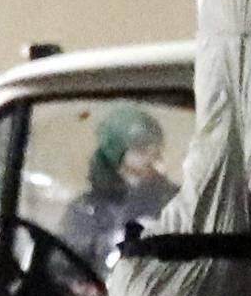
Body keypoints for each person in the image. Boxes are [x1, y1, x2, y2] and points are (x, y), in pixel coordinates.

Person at [63, 104, 178, 270]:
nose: (152, 153)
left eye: (155, 145)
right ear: (116, 151)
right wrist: (111, 240)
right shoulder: (86, 208)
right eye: (141, 147)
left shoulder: (173, 200)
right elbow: (65, 258)